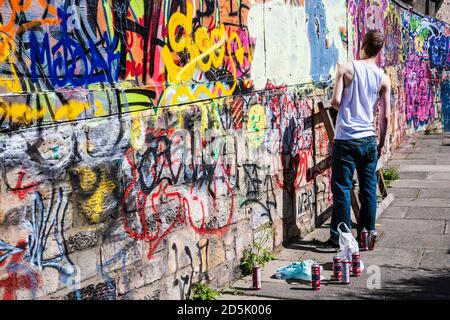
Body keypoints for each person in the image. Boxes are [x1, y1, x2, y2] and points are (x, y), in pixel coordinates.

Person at [316, 29, 391, 252]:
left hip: (346, 139)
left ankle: (342, 239)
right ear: (378, 50)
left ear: (363, 44)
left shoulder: (347, 68)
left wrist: (346, 108)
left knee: (342, 188)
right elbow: (385, 116)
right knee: (368, 189)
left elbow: (336, 101)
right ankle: (367, 236)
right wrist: (380, 142)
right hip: (368, 138)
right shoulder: (382, 77)